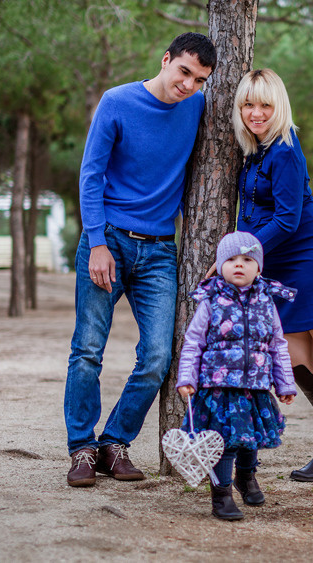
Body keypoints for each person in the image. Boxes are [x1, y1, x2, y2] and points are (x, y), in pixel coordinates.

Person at [64, 32, 217, 488]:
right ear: (166, 59)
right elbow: (91, 174)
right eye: (184, 71)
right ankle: (81, 450)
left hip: (159, 250)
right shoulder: (117, 102)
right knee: (88, 351)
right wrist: (96, 243)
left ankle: (114, 442)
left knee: (157, 356)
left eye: (200, 79)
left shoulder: (197, 107)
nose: (188, 84)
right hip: (108, 239)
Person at [231, 68, 313, 482]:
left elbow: (288, 220)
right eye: (248, 105)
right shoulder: (254, 151)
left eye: (265, 105)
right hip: (283, 263)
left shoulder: (285, 148)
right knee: (293, 356)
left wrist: (239, 255)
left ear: (279, 107)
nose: (256, 113)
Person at [177, 231, 297, 520]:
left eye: (247, 259)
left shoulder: (267, 303)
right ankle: (221, 496)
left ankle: (246, 477)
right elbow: (194, 341)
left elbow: (278, 344)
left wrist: (285, 382)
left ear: (259, 268)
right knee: (225, 443)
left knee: (250, 441)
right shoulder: (211, 300)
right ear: (220, 266)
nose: (239, 265)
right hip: (219, 389)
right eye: (231, 259)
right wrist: (186, 378)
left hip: (255, 388)